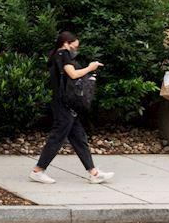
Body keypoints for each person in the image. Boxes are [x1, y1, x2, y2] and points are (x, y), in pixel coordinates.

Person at [31, 28, 116, 185]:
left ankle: (94, 173)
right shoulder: (62, 55)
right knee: (57, 137)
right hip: (64, 104)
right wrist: (91, 68)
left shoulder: (57, 55)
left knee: (79, 137)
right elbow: (73, 74)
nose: (75, 50)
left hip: (64, 103)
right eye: (74, 47)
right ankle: (38, 170)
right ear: (66, 44)